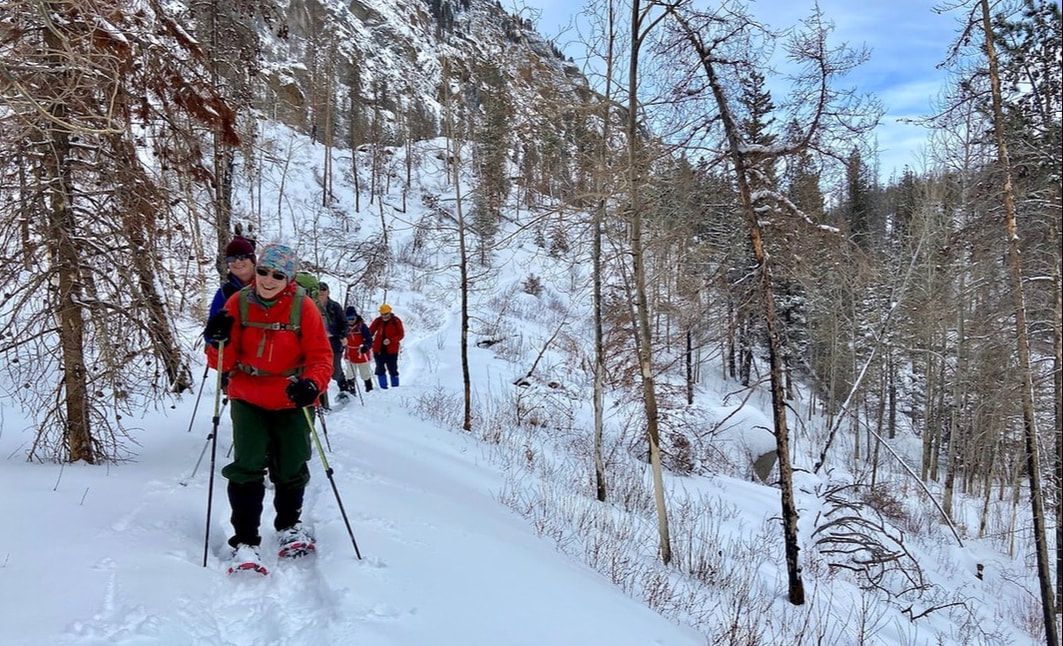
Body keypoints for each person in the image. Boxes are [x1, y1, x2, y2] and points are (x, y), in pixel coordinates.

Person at [203, 243, 333, 573]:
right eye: (263, 271)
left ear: (289, 278)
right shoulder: (238, 302)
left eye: (277, 274)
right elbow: (222, 360)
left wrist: (312, 385)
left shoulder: (303, 308)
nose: (268, 279)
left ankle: (289, 526)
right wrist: (216, 339)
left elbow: (320, 356)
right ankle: (246, 541)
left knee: (291, 463)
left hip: (291, 396)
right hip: (247, 395)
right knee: (246, 465)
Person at [315, 282, 350, 407]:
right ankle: (323, 404)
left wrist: (344, 336)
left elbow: (344, 323)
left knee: (335, 370)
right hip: (318, 342)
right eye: (319, 289)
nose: (321, 291)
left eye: (324, 289)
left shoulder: (334, 306)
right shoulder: (311, 305)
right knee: (319, 371)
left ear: (328, 292)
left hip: (334, 341)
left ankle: (344, 388)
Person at [369, 303, 405, 389]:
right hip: (378, 350)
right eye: (382, 314)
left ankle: (395, 388)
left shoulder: (396, 321)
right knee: (380, 370)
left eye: (385, 314)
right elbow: (370, 331)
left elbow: (401, 334)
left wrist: (391, 340)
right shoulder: (378, 321)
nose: (384, 316)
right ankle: (383, 388)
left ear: (390, 312)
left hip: (392, 351)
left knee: (393, 370)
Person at [342, 307, 374, 392]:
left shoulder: (362, 326)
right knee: (350, 374)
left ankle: (369, 389)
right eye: (348, 318)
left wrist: (366, 346)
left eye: (352, 318)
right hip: (350, 354)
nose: (351, 320)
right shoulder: (344, 327)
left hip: (361, 353)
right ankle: (352, 391)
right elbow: (341, 338)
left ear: (356, 316)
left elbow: (369, 339)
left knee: (365, 374)